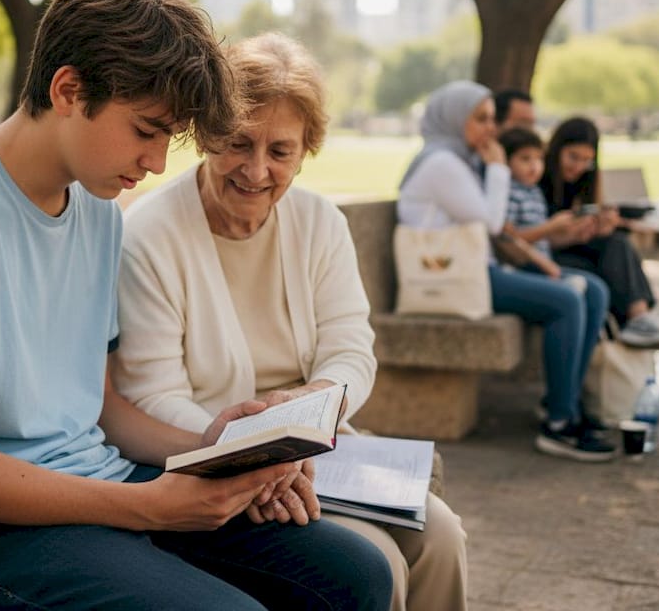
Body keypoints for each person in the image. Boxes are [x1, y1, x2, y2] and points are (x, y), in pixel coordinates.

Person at [0, 0, 392, 611]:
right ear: (69, 89)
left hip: (97, 484)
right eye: (146, 129)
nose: (158, 163)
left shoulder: (97, 206)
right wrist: (148, 508)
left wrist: (221, 451)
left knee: (355, 576)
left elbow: (103, 408)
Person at [114, 32, 469, 610]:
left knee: (444, 536)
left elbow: (352, 350)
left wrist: (316, 400)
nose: (256, 171)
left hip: (318, 454)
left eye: (280, 152)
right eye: (238, 143)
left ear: (305, 151)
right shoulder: (149, 237)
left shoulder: (319, 222)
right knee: (379, 563)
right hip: (210, 458)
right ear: (206, 135)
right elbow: (152, 395)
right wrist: (253, 453)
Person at [397, 80, 614, 462]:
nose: (491, 129)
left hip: (479, 271)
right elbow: (493, 222)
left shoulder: (458, 160)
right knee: (566, 300)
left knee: (593, 290)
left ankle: (562, 406)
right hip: (455, 278)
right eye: (481, 119)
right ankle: (559, 427)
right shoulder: (441, 164)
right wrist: (498, 167)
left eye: (493, 119)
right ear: (454, 119)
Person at [539, 116, 659, 351]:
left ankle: (639, 319)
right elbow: (535, 236)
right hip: (544, 253)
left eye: (587, 160)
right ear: (558, 149)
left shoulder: (585, 179)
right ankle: (638, 319)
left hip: (574, 246)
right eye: (573, 157)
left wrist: (600, 225)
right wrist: (572, 232)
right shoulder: (538, 175)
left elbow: (586, 219)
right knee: (611, 260)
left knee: (617, 243)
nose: (578, 167)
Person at [497, 126, 581, 284]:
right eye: (525, 159)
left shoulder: (534, 191)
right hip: (523, 265)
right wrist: (550, 226)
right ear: (506, 161)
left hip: (544, 263)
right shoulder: (509, 193)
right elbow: (510, 240)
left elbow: (542, 238)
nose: (534, 166)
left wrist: (574, 232)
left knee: (596, 289)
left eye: (539, 159)